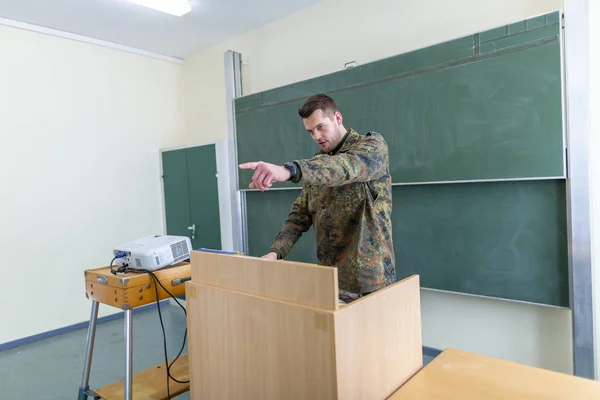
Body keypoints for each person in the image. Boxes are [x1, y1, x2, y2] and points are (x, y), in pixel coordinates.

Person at [239, 93, 396, 299]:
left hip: (370, 282)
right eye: (310, 132)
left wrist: (289, 171)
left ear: (337, 118)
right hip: (330, 279)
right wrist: (276, 253)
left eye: (321, 127)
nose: (317, 137)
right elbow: (299, 215)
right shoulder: (317, 163)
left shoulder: (371, 147)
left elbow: (344, 167)